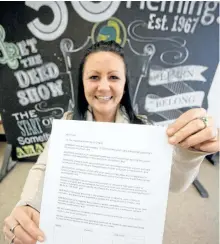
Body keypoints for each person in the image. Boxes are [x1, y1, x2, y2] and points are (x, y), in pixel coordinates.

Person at [3, 41, 219, 244]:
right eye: (94, 77)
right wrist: (27, 203)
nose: (103, 87)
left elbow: (175, 185)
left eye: (114, 77)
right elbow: (43, 168)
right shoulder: (68, 123)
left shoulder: (144, 129)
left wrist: (190, 154)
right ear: (82, 83)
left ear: (125, 85)